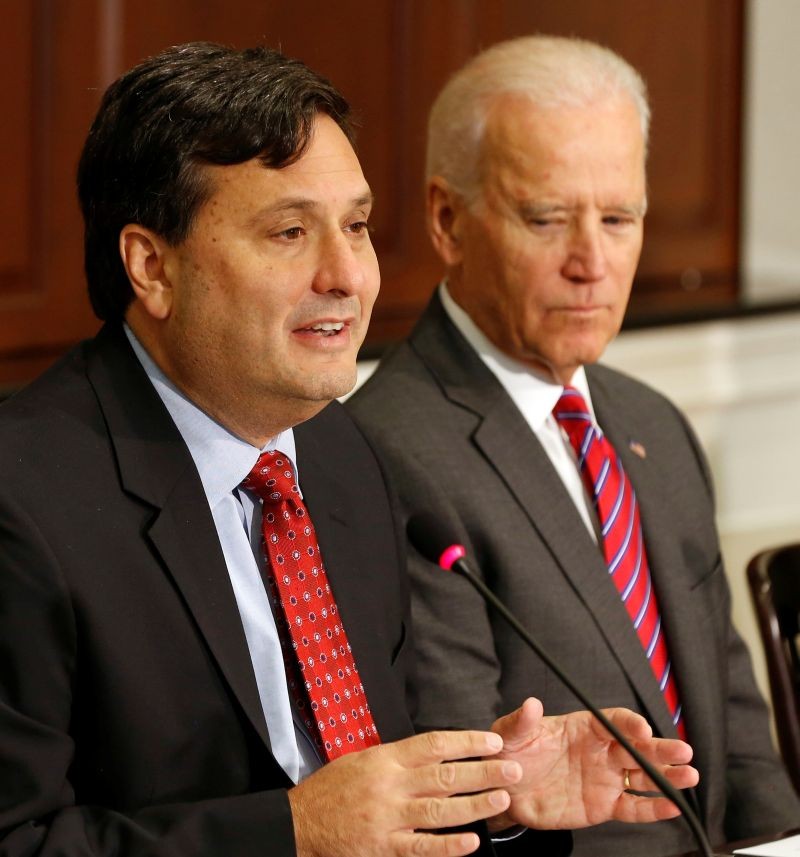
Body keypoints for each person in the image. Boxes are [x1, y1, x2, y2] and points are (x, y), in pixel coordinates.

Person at [0, 42, 699, 857]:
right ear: (152, 266)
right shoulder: (24, 504)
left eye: (358, 227)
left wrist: (495, 796)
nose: (346, 275)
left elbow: (370, 804)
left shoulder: (339, 455)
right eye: (290, 231)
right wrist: (292, 831)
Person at [348, 34, 800, 857]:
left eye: (619, 218)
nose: (592, 262)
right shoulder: (389, 453)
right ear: (448, 220)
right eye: (547, 218)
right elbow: (462, 783)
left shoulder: (653, 422)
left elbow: (733, 711)